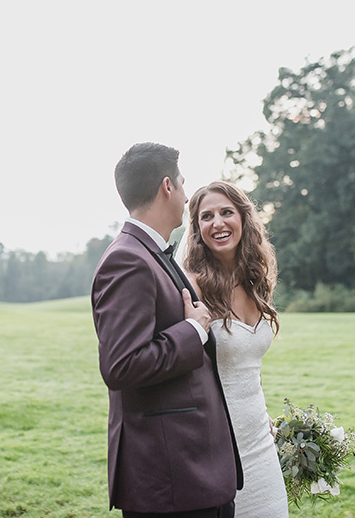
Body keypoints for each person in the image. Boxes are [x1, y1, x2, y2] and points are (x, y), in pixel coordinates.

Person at [91, 143, 242, 518]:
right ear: (167, 187)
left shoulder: (151, 253)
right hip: (172, 480)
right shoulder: (128, 260)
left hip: (194, 474)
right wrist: (193, 330)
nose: (188, 195)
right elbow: (121, 366)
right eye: (183, 183)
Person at [183, 180, 289, 517]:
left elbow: (246, 366)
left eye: (226, 212)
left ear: (243, 218)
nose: (218, 223)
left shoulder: (256, 279)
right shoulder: (191, 285)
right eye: (206, 216)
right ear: (197, 229)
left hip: (261, 440)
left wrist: (262, 415)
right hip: (217, 446)